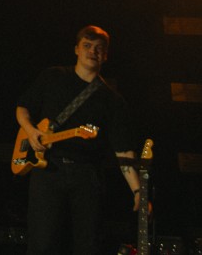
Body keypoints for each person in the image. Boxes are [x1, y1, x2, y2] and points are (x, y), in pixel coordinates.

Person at [15, 25, 142, 255]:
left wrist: (137, 191)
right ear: (76, 49)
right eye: (87, 45)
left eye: (98, 48)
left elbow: (124, 151)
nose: (92, 51)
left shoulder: (112, 100)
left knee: (88, 245)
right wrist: (31, 131)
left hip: (87, 175)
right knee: (42, 245)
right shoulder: (53, 76)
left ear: (105, 55)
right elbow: (23, 107)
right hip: (48, 171)